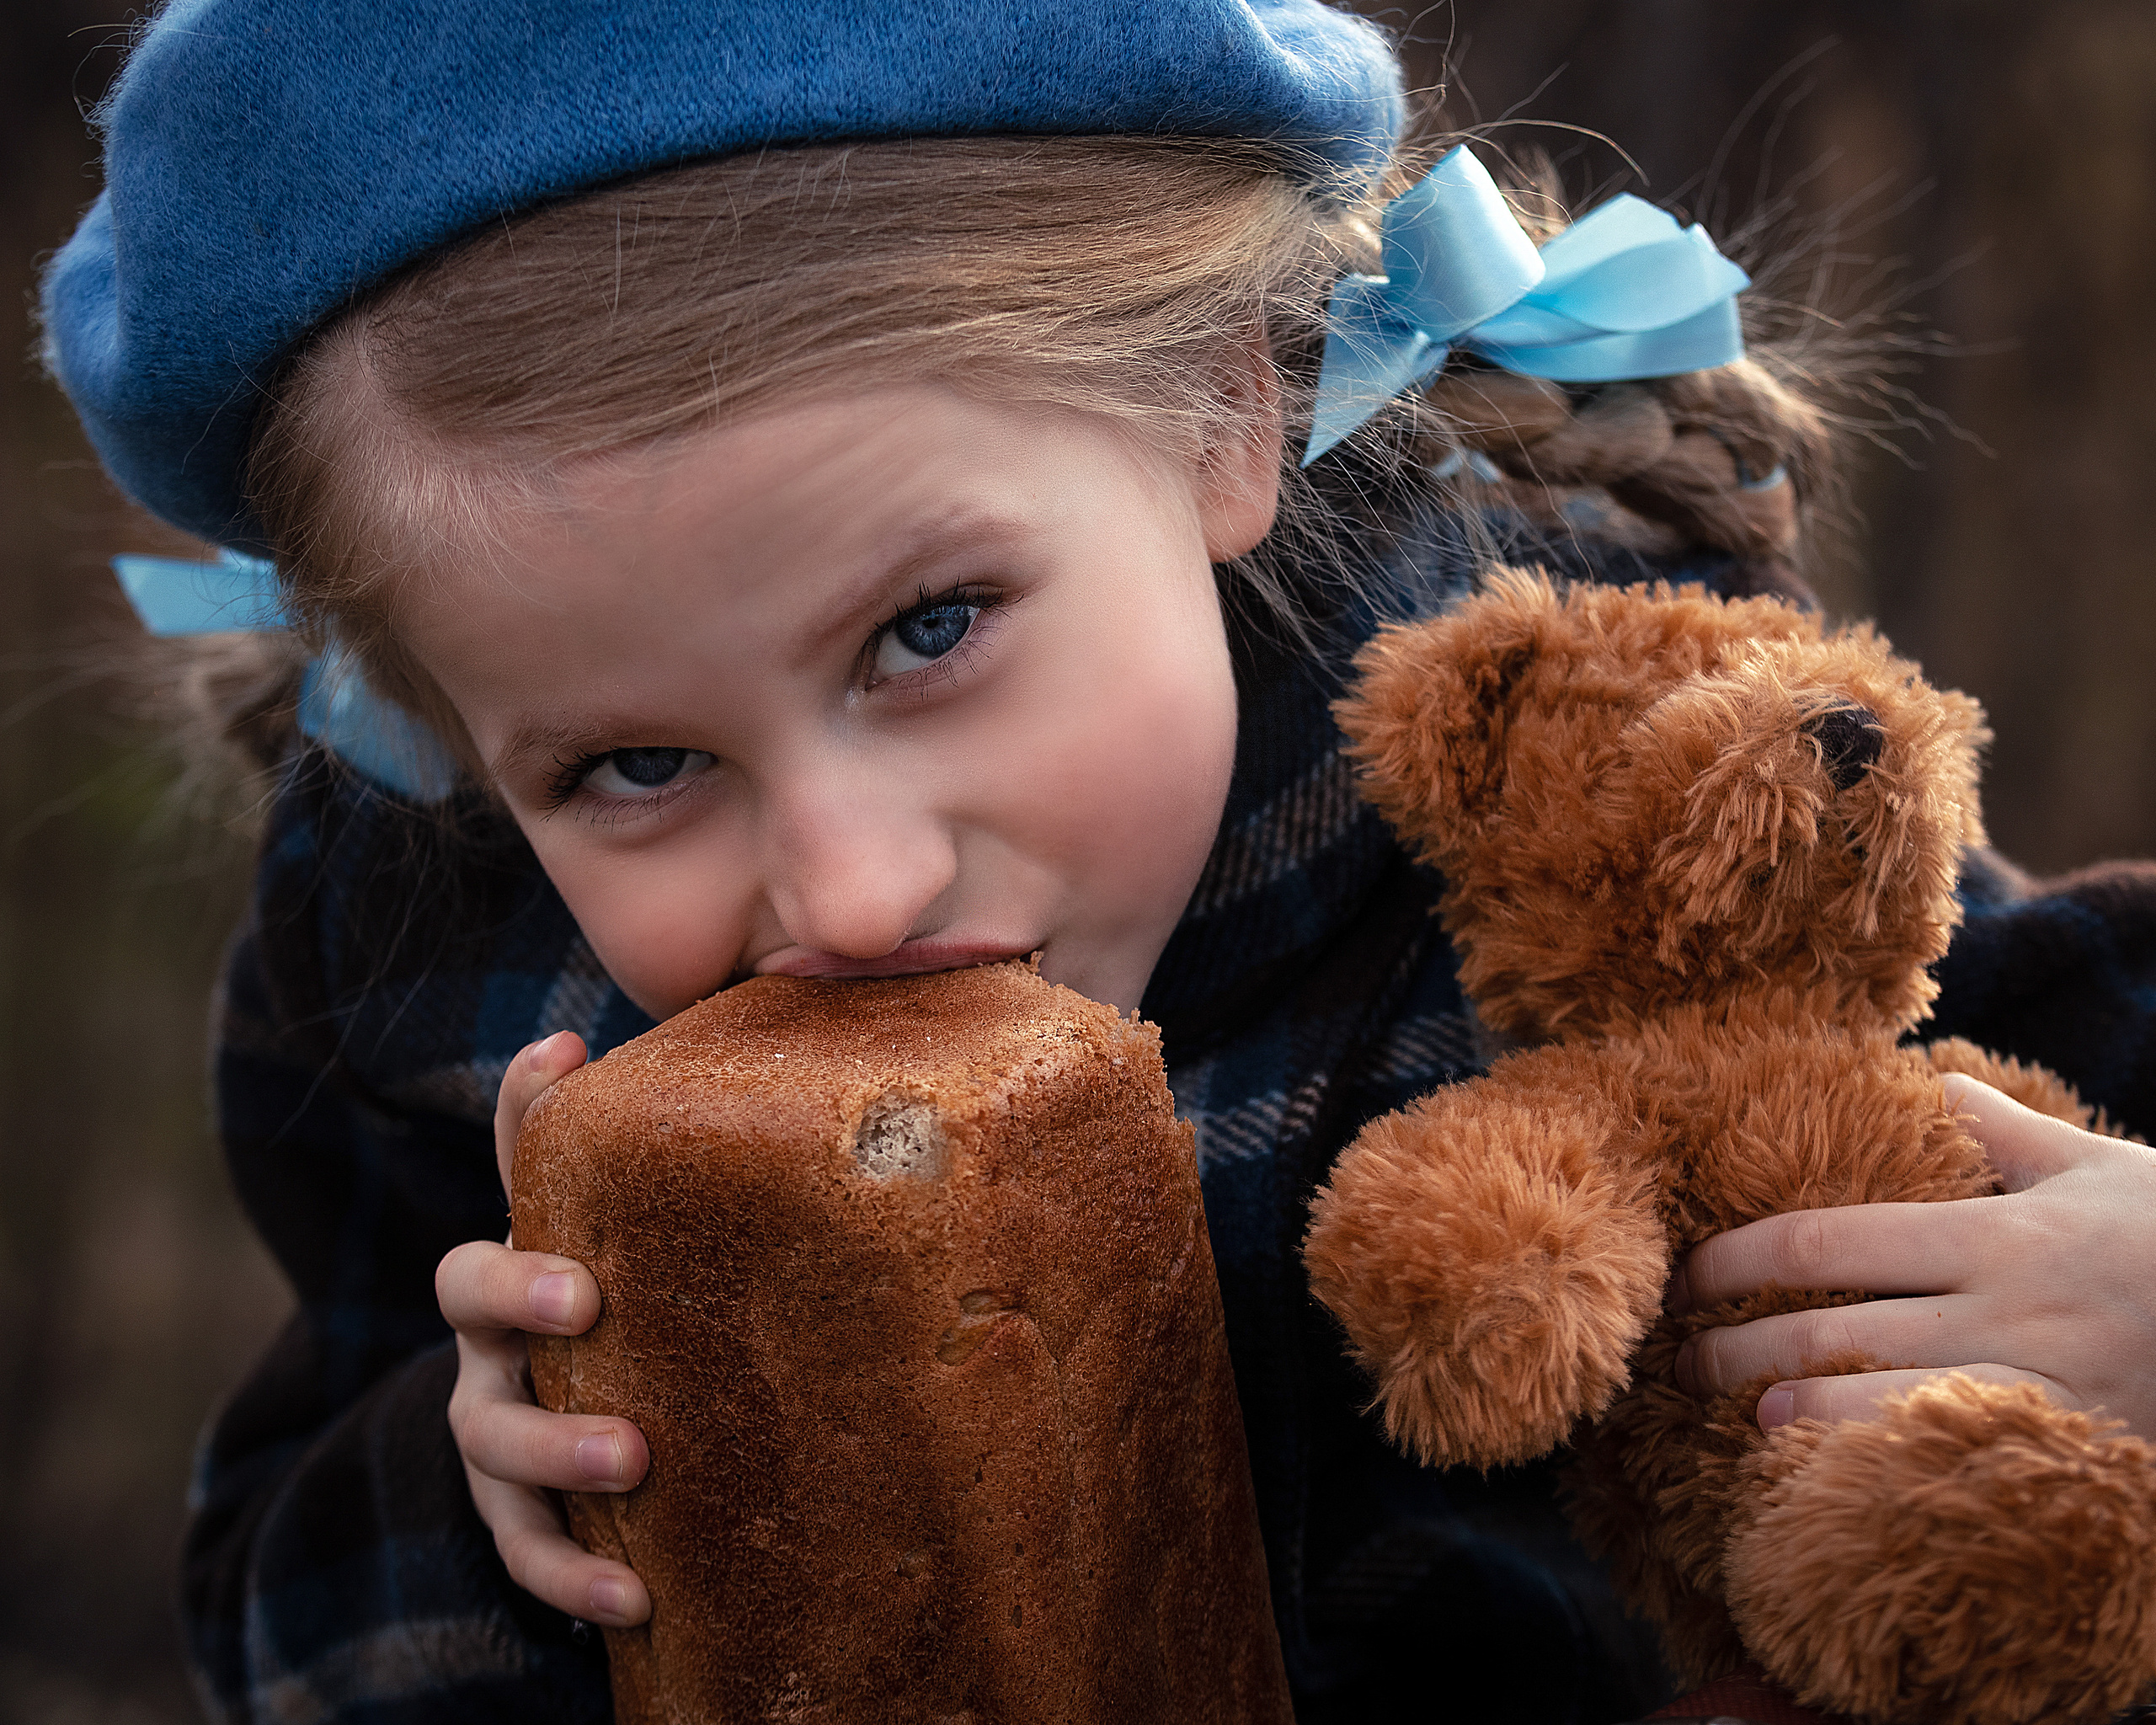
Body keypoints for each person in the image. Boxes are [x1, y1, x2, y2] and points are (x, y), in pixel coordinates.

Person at [38, 2, 2156, 1720]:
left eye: (929, 631)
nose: (853, 891)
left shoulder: (1596, 800)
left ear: (1218, 418)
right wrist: (493, 1502)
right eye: (632, 764)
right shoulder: (435, 976)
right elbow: (267, 1603)